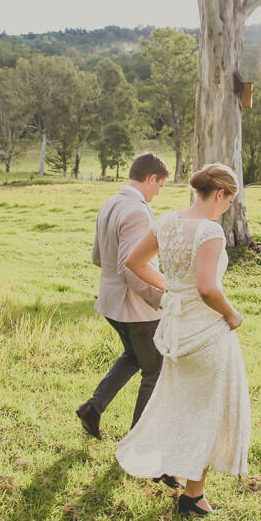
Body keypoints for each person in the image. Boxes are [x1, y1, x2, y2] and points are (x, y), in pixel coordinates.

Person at [115, 162, 250, 517]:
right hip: (205, 332)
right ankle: (193, 495)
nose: (226, 209)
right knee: (208, 411)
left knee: (182, 402)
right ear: (220, 193)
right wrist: (232, 314)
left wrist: (172, 289)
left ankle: (172, 467)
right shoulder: (210, 232)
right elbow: (207, 288)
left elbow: (134, 261)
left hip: (176, 328)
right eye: (228, 202)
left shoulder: (167, 221)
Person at [76, 152, 171, 439]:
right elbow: (130, 268)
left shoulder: (110, 203)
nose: (159, 192)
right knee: (155, 369)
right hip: (136, 308)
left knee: (133, 356)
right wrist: (161, 297)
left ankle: (93, 407)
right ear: (151, 178)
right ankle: (137, 440)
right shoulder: (137, 210)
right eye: (160, 185)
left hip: (110, 302)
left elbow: (97, 257)